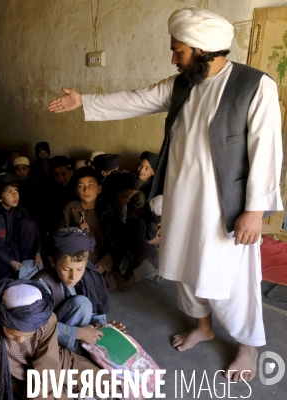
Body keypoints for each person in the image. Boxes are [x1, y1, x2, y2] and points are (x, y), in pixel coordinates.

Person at [48, 6, 283, 381]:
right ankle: (203, 326)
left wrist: (255, 210)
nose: (173, 58)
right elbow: (136, 98)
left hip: (226, 205)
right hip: (182, 199)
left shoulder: (255, 85)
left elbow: (267, 149)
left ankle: (248, 346)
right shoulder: (183, 85)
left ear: (203, 49)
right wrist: (85, 101)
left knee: (232, 278)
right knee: (185, 270)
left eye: (179, 50)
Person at [0, 280, 107, 399]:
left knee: (107, 384)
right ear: (2, 323)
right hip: (13, 380)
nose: (20, 340)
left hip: (55, 362)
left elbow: (46, 367)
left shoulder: (48, 321)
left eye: (28, 335)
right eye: (12, 334)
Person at [33, 228, 124, 354]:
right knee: (82, 303)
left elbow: (96, 314)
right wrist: (78, 333)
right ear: (53, 261)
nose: (74, 276)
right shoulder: (41, 284)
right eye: (66, 269)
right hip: (51, 337)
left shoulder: (90, 277)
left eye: (80, 269)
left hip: (75, 331)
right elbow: (34, 326)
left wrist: (103, 328)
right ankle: (69, 354)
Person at [0, 173, 42, 283]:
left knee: (29, 224)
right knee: (0, 274)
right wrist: (11, 261)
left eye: (16, 190)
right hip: (1, 253)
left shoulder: (20, 209)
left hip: (20, 250)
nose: (15, 195)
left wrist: (38, 252)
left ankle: (25, 261)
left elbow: (35, 232)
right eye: (9, 192)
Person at [59, 166, 105, 263]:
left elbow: (114, 242)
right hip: (77, 261)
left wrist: (104, 265)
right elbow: (60, 237)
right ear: (76, 191)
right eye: (81, 186)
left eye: (91, 185)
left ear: (99, 189)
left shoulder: (105, 210)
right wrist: (76, 231)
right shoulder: (70, 208)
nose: (86, 190)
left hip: (101, 262)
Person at [13, 156, 43, 222]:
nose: (21, 172)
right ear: (14, 170)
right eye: (18, 169)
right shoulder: (12, 184)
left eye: (24, 169)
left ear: (29, 169)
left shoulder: (34, 185)